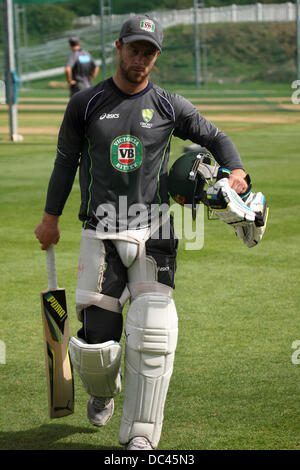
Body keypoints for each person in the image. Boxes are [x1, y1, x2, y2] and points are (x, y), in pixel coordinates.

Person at [34, 15, 249, 450]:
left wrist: (238, 170)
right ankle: (100, 390)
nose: (141, 58)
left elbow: (216, 138)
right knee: (98, 346)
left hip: (154, 229)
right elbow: (65, 163)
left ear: (156, 55)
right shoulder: (86, 103)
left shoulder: (169, 106)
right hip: (101, 231)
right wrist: (50, 218)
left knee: (154, 338)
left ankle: (140, 438)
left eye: (149, 51)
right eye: (134, 49)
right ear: (118, 47)